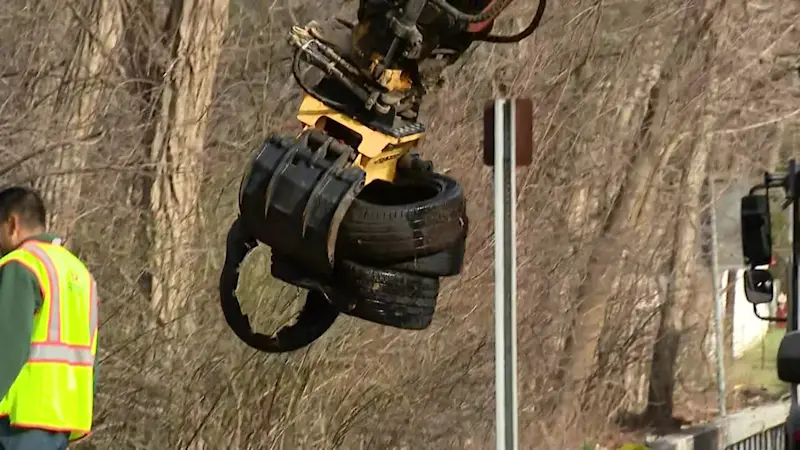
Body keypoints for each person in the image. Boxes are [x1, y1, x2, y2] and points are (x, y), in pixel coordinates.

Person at [0, 186, 98, 449]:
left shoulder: (21, 265)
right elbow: (90, 356)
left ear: (12, 224)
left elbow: (8, 345)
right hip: (63, 422)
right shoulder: (79, 273)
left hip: (18, 422)